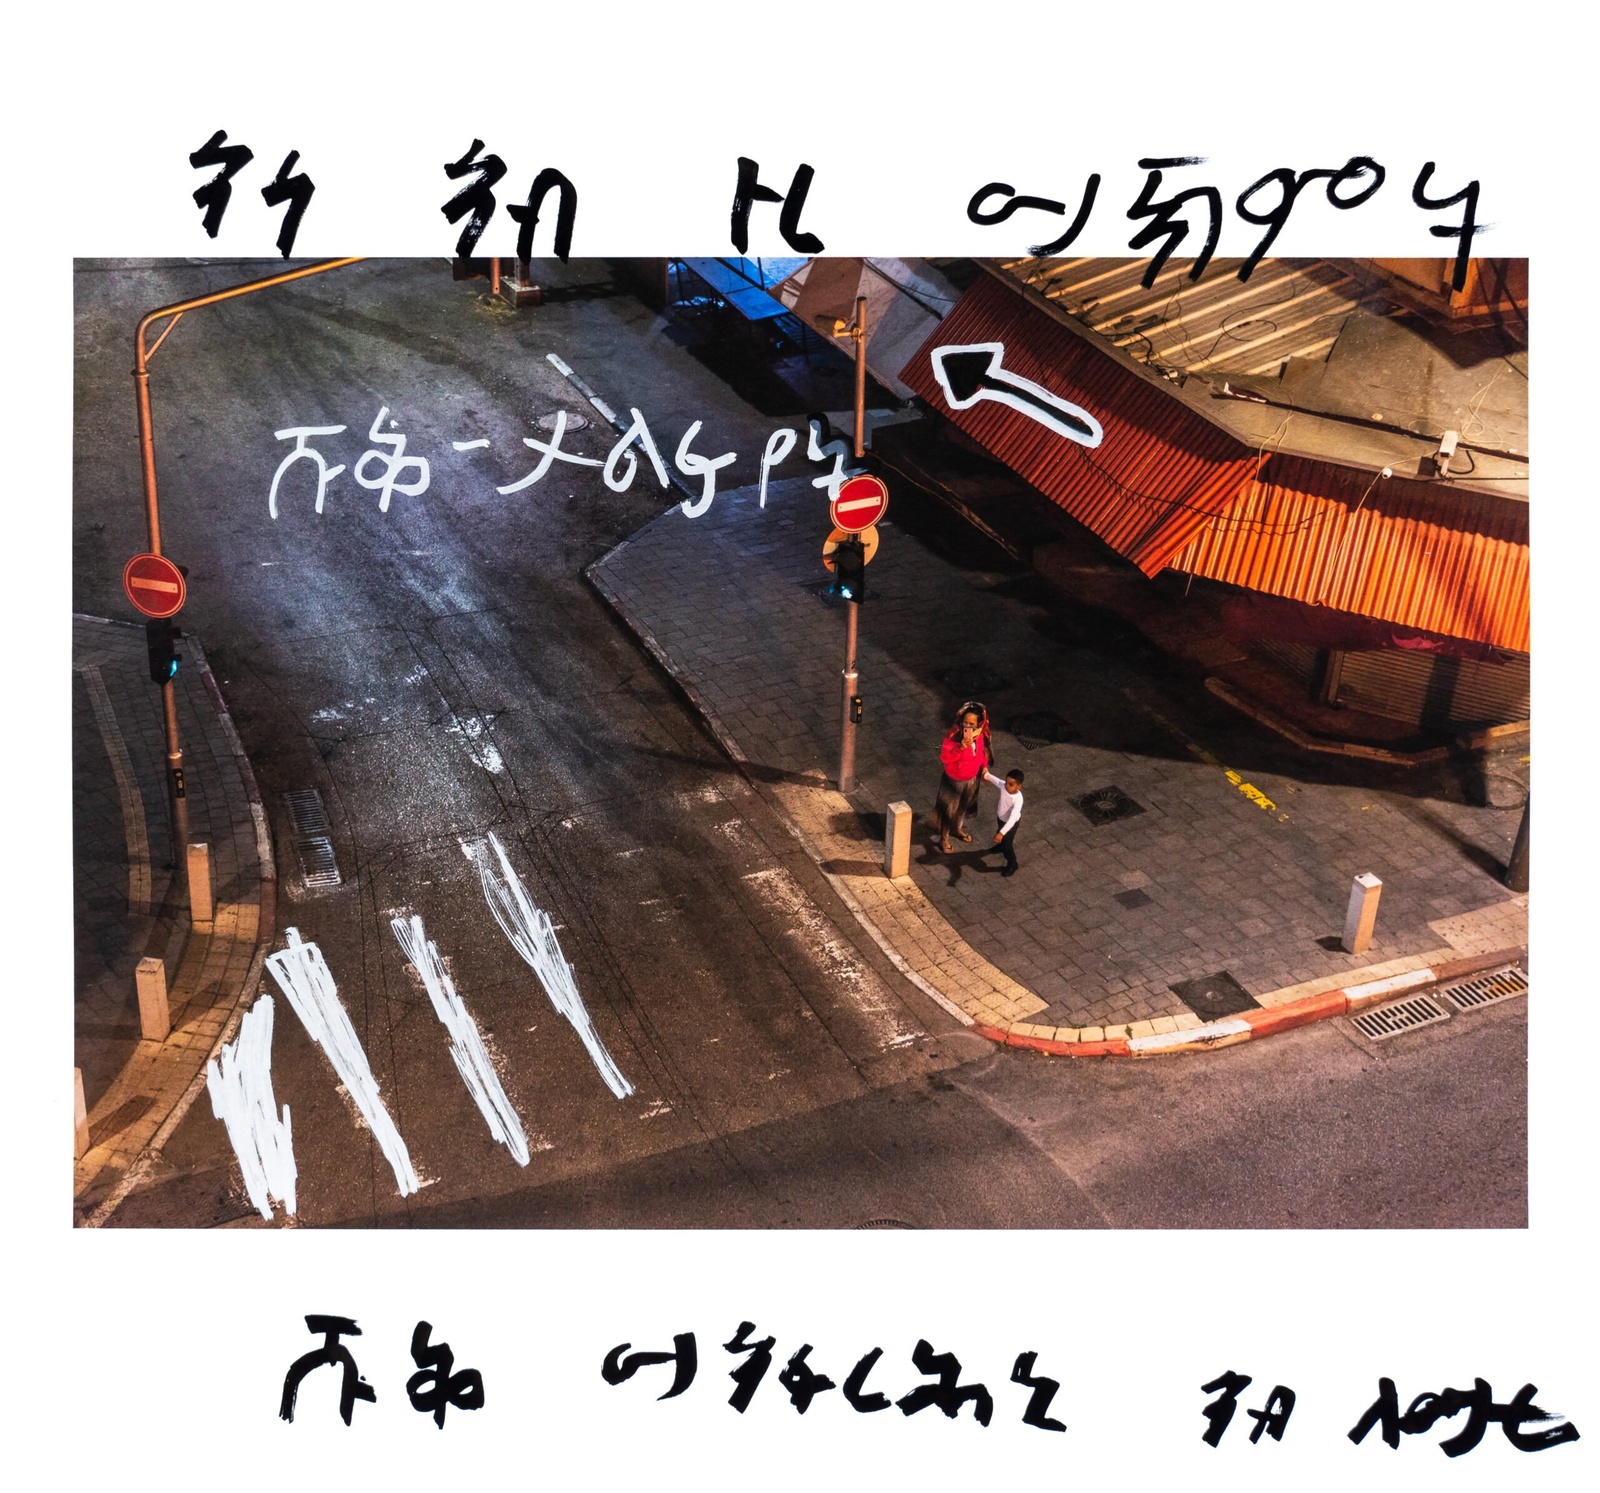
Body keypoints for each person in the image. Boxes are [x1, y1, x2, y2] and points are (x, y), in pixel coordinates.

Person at [934, 702, 991, 854]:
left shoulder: (980, 735)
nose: (968, 727)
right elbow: (945, 758)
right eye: (965, 722)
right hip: (954, 779)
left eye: (972, 724)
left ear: (979, 724)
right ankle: (944, 838)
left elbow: (981, 752)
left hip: (971, 779)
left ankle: (957, 829)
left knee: (963, 806)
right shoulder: (953, 736)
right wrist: (960, 748)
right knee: (949, 810)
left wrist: (984, 766)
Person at [983, 766, 1025, 876]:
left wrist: (1001, 833)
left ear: (1019, 786)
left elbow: (1013, 818)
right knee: (1000, 831)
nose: (1007, 786)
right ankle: (1000, 846)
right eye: (1006, 782)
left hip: (1011, 824)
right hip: (1001, 818)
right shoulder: (1004, 786)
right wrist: (987, 775)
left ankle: (1013, 864)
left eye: (1011, 784)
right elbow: (997, 781)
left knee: (1007, 844)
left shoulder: (1018, 799)